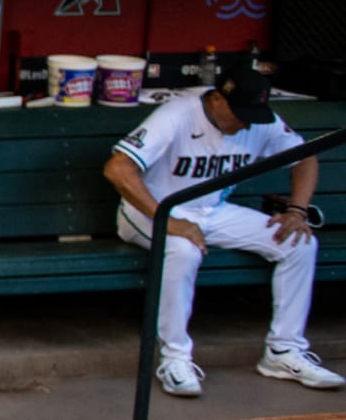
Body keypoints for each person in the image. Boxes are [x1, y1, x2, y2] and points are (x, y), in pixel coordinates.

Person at [103, 66, 344, 398]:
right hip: (148, 211)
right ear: (216, 98)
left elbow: (305, 158)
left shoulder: (260, 120)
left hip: (211, 211)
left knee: (299, 243)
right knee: (182, 250)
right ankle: (174, 357)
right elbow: (118, 167)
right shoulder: (177, 115)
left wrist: (297, 210)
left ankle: (283, 351)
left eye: (253, 114)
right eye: (240, 113)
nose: (246, 123)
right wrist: (168, 221)